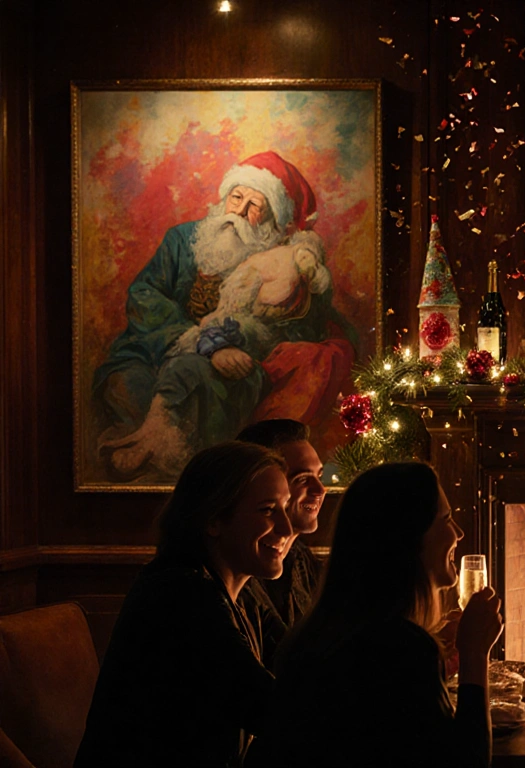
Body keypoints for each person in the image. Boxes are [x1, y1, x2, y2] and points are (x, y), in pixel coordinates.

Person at [93, 151, 354, 482]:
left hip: (237, 363)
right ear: (224, 198)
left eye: (255, 206)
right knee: (128, 388)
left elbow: (296, 328)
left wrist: (233, 347)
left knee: (207, 390)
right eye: (237, 197)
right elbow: (144, 295)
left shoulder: (280, 260)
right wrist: (202, 340)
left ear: (274, 219)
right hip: (158, 348)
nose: (240, 213)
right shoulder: (182, 239)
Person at [247, 462, 500, 768]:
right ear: (409, 537)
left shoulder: (322, 635)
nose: (458, 534)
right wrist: (474, 654)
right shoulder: (396, 646)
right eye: (445, 519)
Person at [75, 442, 294, 767]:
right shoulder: (178, 594)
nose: (288, 529)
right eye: (266, 510)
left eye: (286, 508)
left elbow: (298, 658)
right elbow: (268, 708)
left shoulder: (243, 590)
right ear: (213, 520)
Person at [236, 419, 327, 664]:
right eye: (301, 478)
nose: (320, 490)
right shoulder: (235, 572)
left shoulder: (305, 563)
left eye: (319, 475)